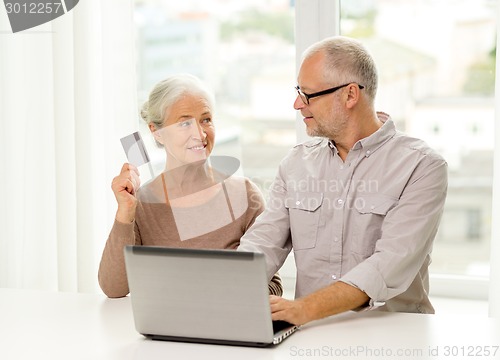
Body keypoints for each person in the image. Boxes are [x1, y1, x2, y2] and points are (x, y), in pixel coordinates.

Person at [238, 36, 448, 325]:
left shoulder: (421, 166)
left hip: (395, 336)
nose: (298, 104)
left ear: (350, 95)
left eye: (309, 94)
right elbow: (263, 244)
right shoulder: (296, 164)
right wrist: (222, 294)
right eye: (299, 91)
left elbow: (389, 265)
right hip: (312, 333)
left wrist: (303, 309)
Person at [98, 74, 282, 298]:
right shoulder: (141, 203)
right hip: (163, 331)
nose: (200, 134)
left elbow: (274, 286)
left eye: (206, 119)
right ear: (156, 132)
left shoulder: (245, 195)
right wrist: (125, 213)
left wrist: (219, 294)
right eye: (185, 123)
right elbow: (113, 289)